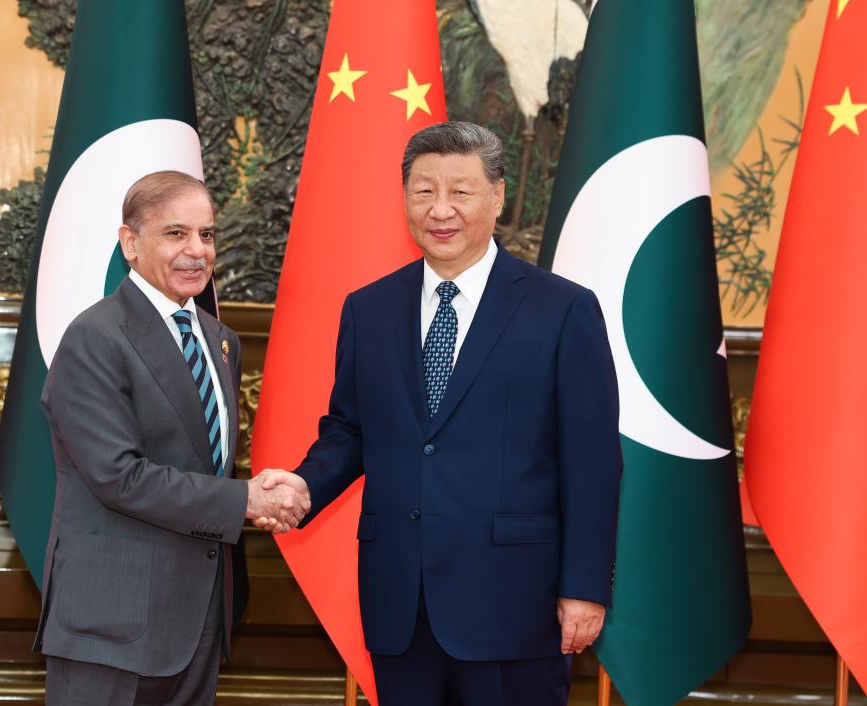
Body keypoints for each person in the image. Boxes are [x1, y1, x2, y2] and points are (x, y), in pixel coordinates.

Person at [258, 122, 622, 706]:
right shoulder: (369, 309)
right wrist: (303, 484)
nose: (440, 209)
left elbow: (593, 463)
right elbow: (351, 429)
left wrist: (584, 588)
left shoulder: (563, 310)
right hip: (401, 602)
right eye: (424, 191)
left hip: (513, 602)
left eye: (461, 191)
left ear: (498, 197)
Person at [34, 170, 310, 706]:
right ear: (130, 244)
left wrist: (258, 492)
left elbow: (205, 467)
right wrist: (246, 499)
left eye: (206, 235)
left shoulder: (219, 341)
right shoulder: (95, 338)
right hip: (112, 629)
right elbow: (121, 477)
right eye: (175, 234)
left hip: (199, 622)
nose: (196, 251)